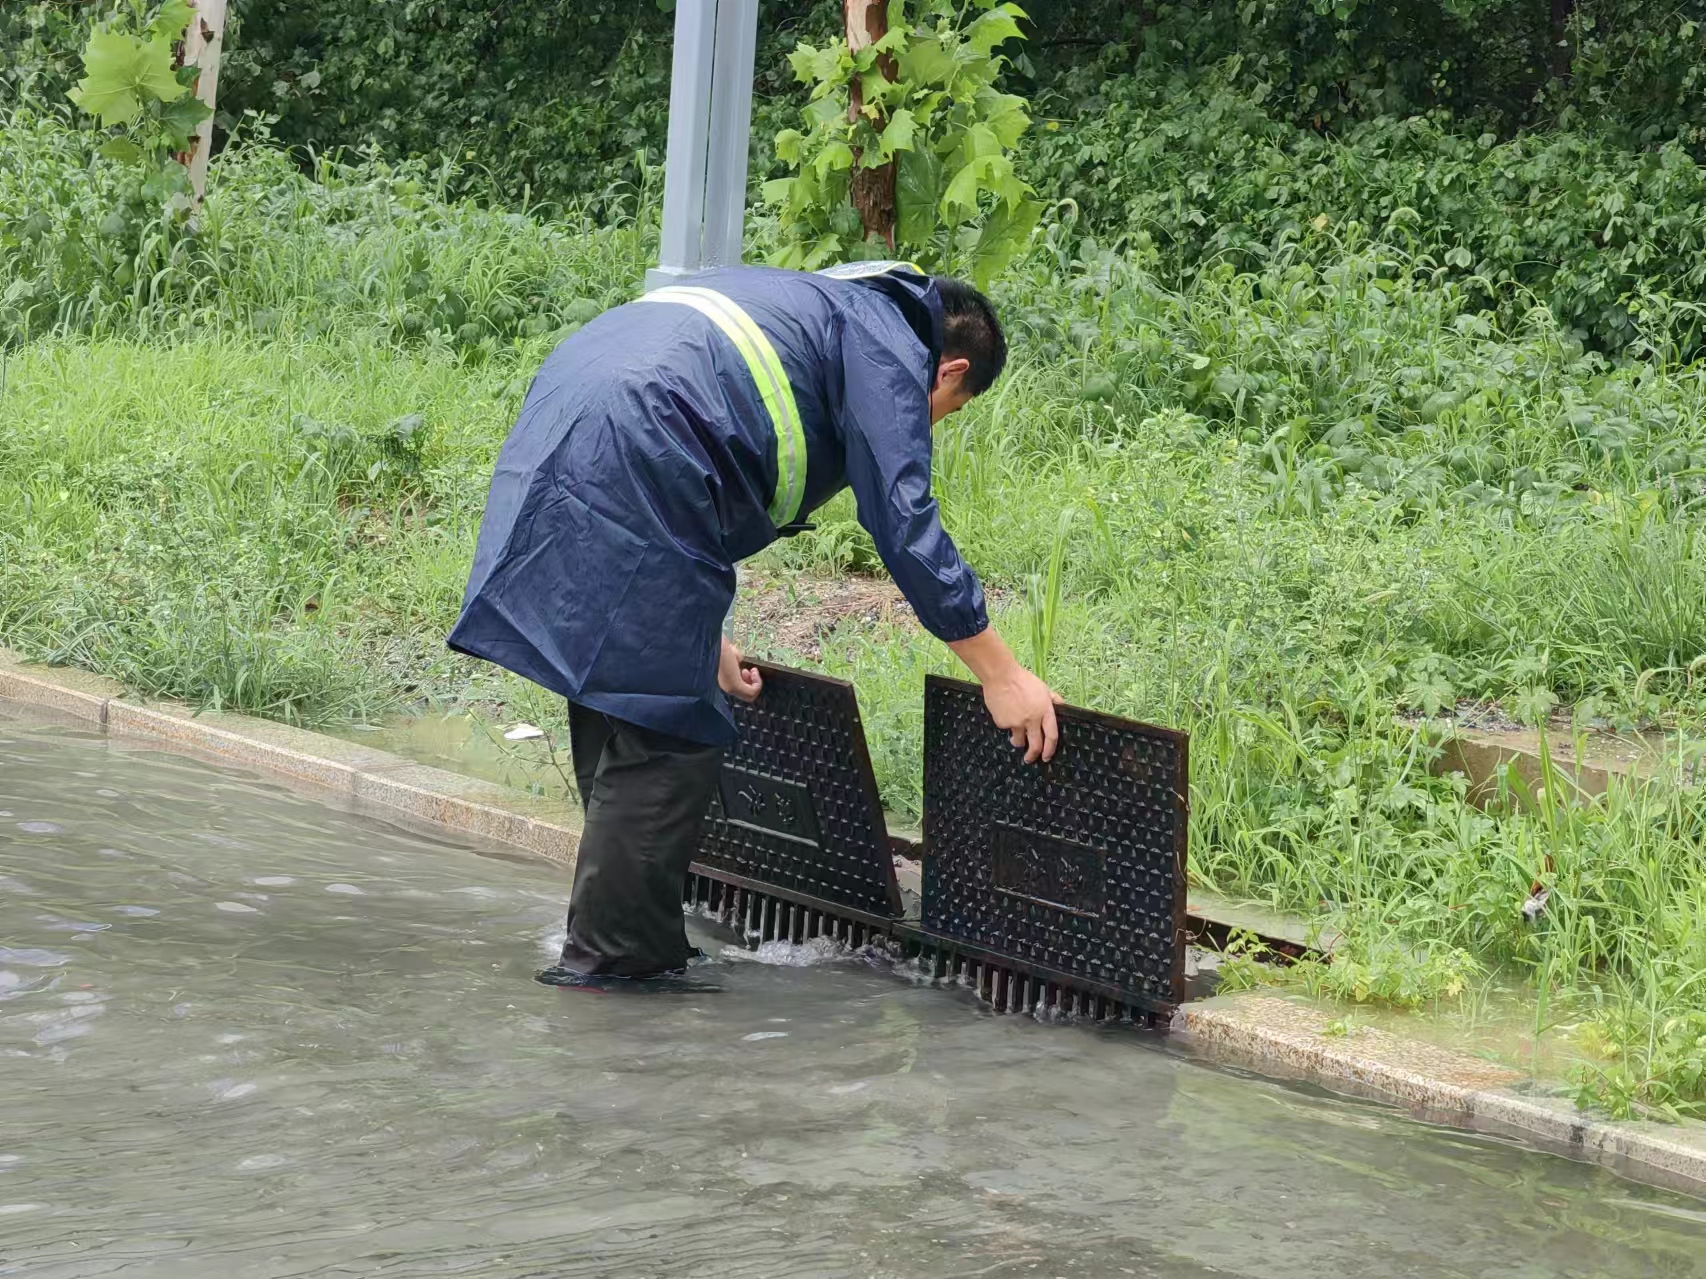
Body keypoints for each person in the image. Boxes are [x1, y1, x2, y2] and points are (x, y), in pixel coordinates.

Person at [448, 261, 1060, 985]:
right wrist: (1002, 672)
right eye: (947, 409)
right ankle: (615, 972)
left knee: (618, 689)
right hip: (648, 435)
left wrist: (699, 632)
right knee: (669, 736)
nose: (930, 422)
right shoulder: (888, 344)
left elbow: (709, 431)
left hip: (568, 406)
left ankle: (626, 935)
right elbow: (904, 523)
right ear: (950, 369)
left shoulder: (810, 300)